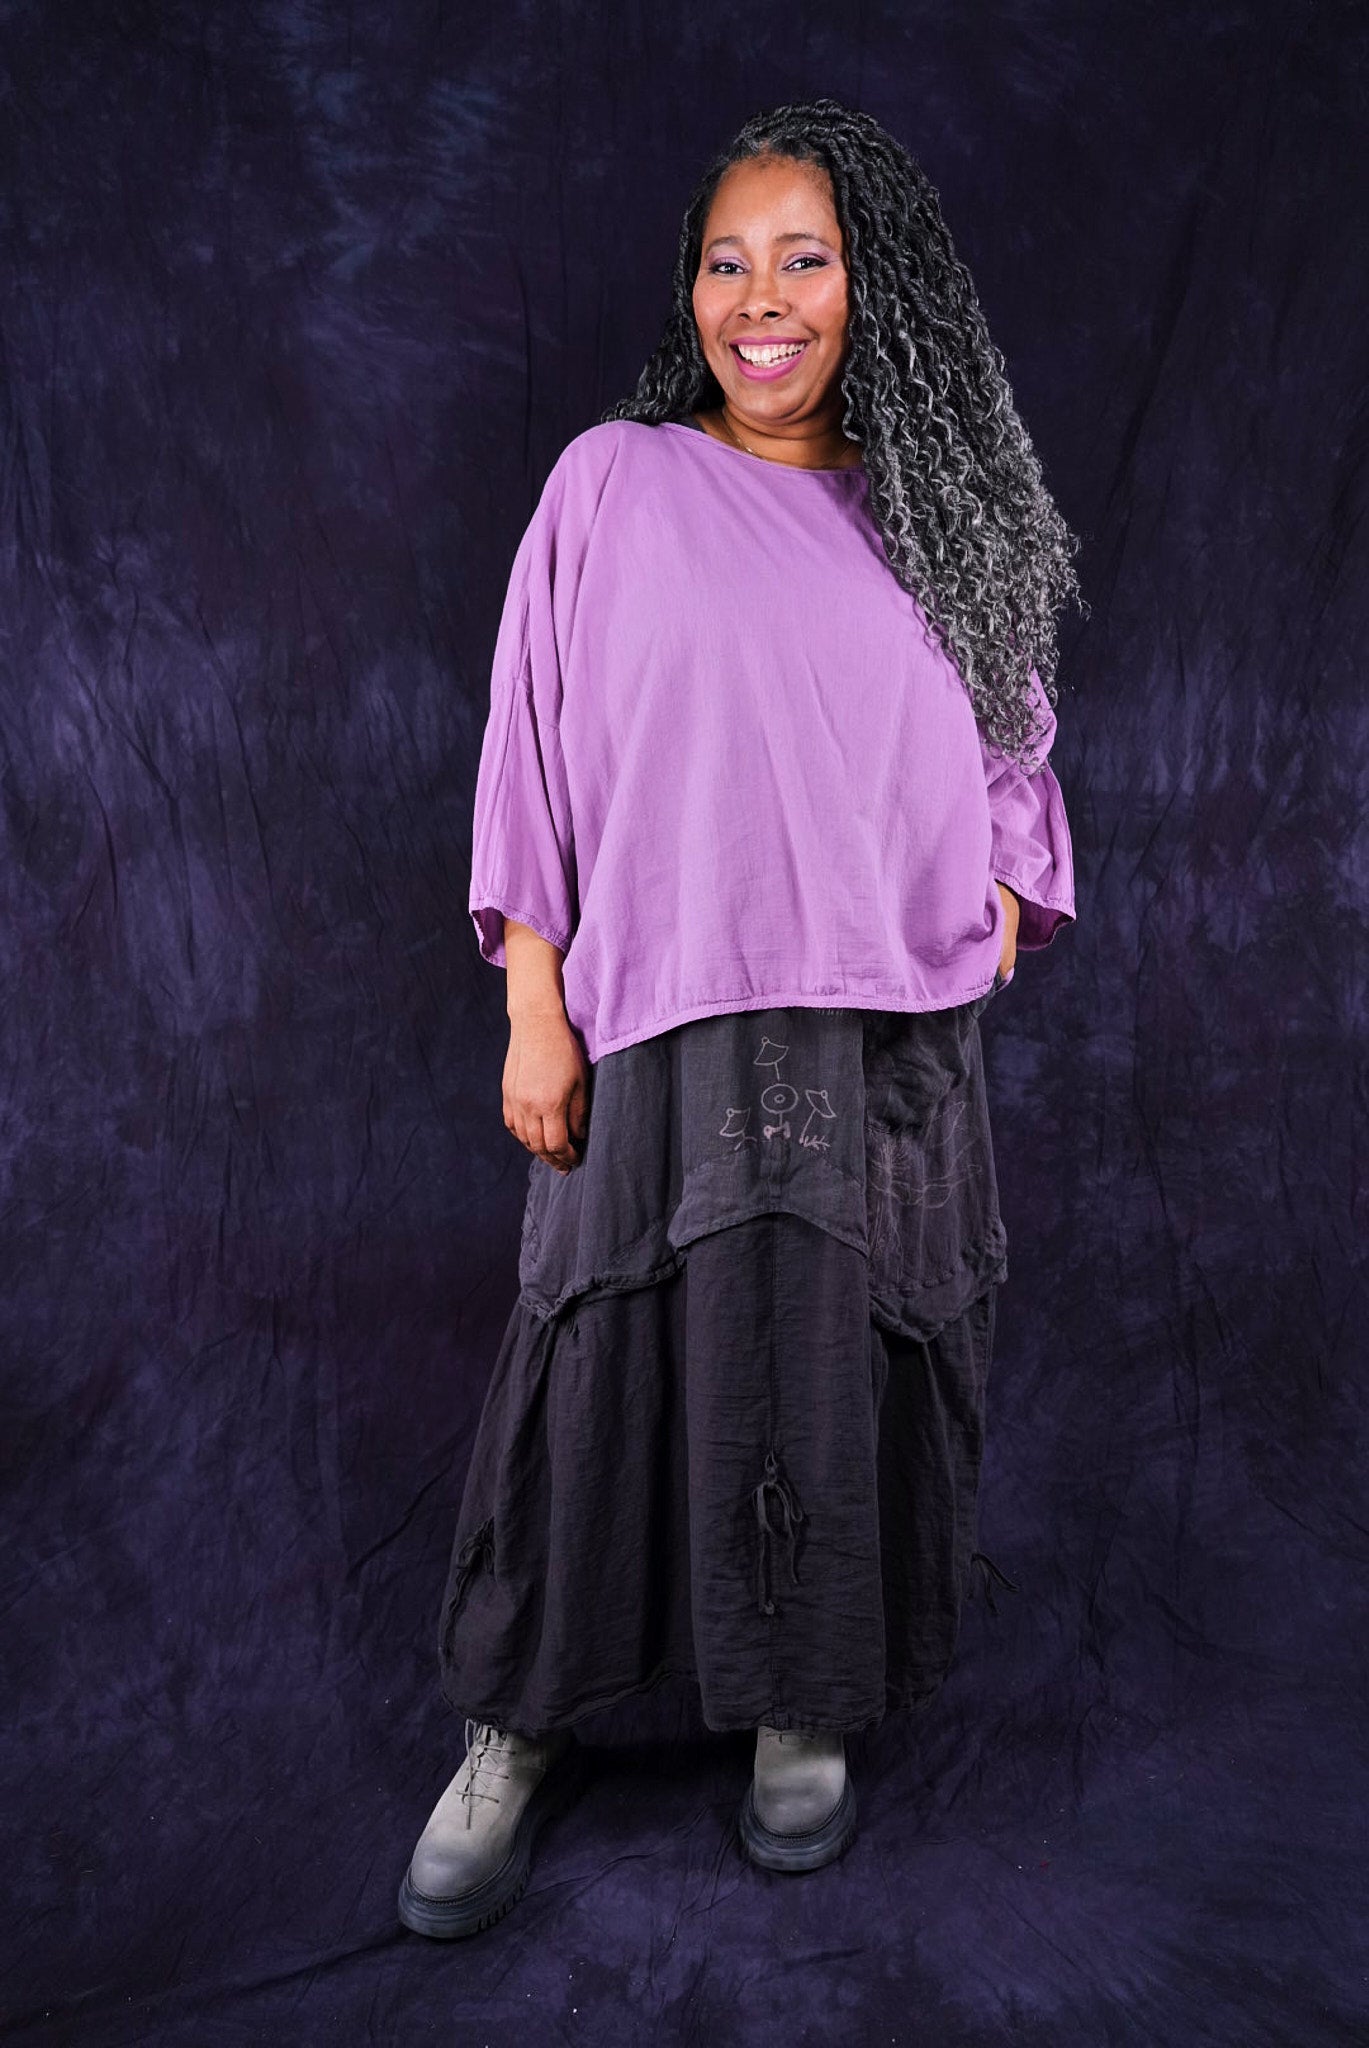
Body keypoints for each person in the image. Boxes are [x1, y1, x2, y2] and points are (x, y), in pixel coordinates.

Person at [398, 95, 1083, 1940]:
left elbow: (1012, 738)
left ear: (874, 290)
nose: (759, 300)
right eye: (726, 261)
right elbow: (529, 748)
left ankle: (803, 1697)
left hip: (877, 1026)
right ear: (689, 287)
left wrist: (1002, 886)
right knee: (596, 1351)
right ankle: (516, 1726)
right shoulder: (610, 483)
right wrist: (533, 1001)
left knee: (831, 1351)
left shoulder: (940, 514)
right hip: (657, 1001)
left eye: (803, 259)